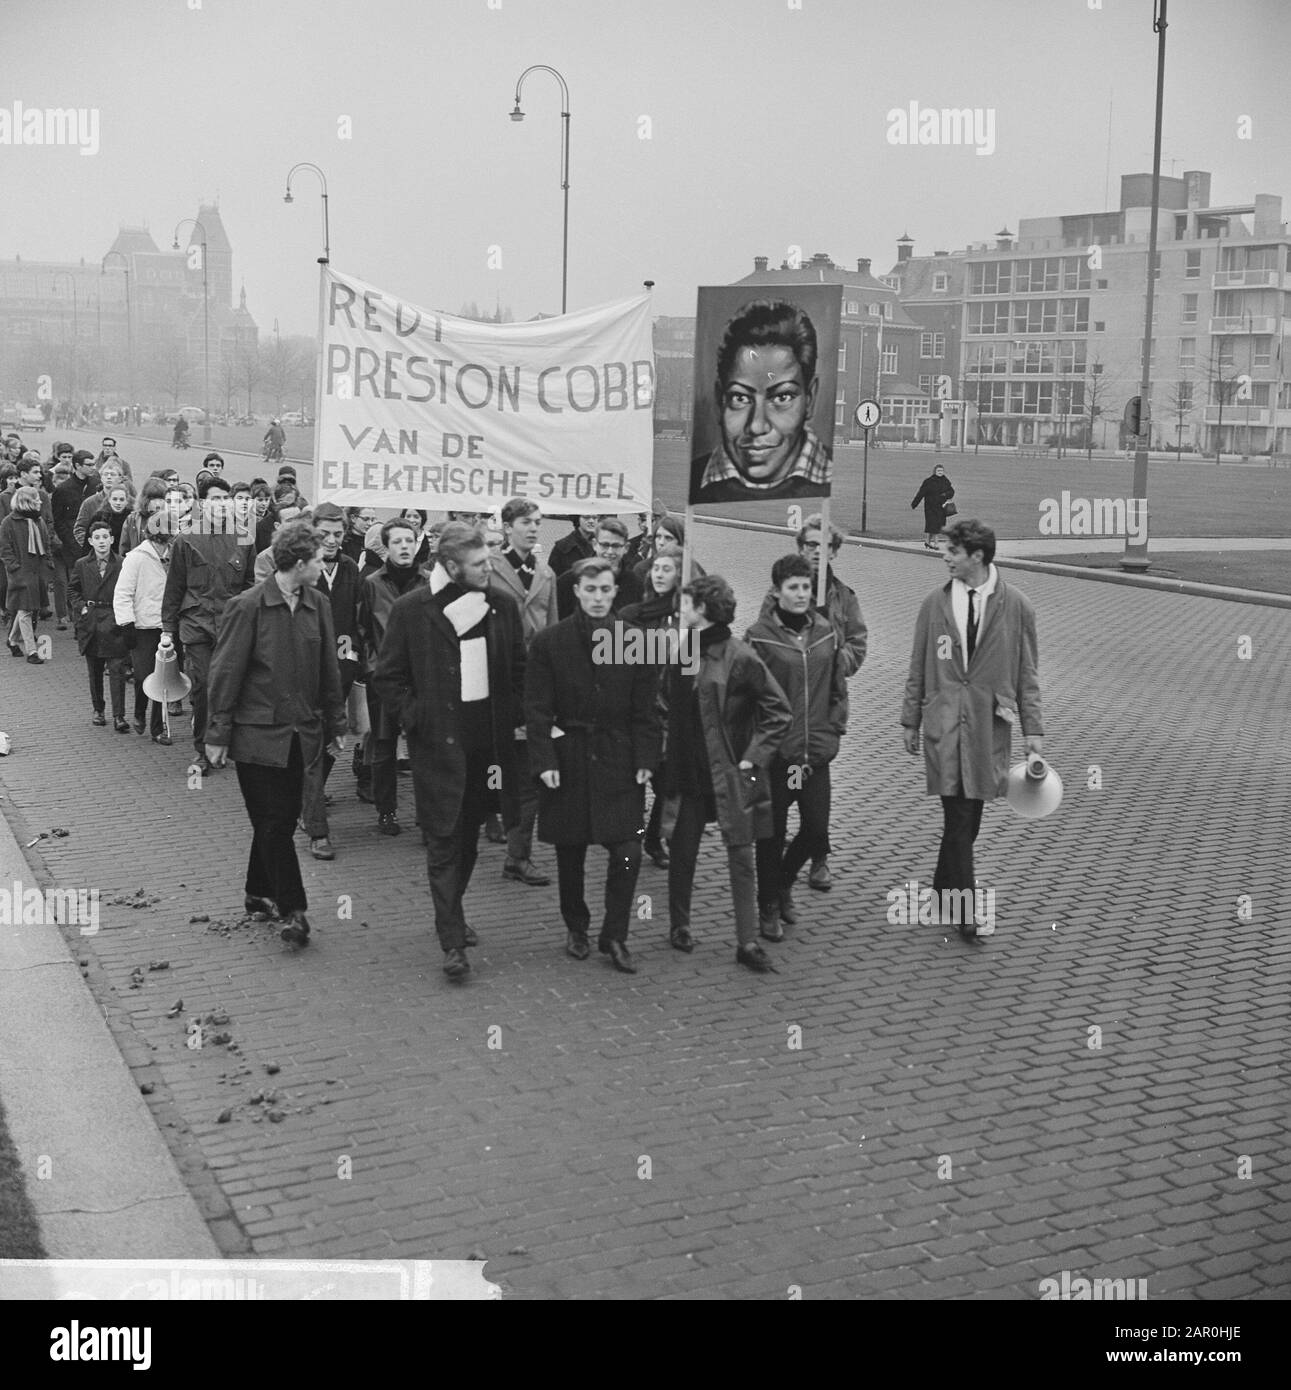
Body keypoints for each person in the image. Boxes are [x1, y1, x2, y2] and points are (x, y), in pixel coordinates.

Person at [372, 522, 527, 981]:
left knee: (470, 832)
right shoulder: (413, 610)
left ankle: (452, 909)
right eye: (480, 564)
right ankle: (452, 941)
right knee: (443, 839)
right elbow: (387, 676)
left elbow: (519, 668)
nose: (489, 569)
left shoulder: (501, 606)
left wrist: (514, 717)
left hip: (488, 747)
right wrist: (417, 719)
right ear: (453, 567)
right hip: (439, 747)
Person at [900, 518, 1045, 941]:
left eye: (952, 552)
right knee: (960, 818)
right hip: (944, 724)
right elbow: (917, 664)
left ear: (976, 556)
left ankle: (944, 890)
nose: (944, 557)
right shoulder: (935, 604)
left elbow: (1027, 672)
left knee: (969, 820)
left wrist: (1034, 730)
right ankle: (965, 910)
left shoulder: (1016, 606)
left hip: (987, 728)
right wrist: (910, 718)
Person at [207, 521, 347, 947]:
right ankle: (294, 909)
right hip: (255, 737)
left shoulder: (317, 604)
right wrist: (217, 734)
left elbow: (328, 667)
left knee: (278, 821)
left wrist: (337, 723)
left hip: (301, 734)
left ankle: (256, 892)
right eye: (319, 560)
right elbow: (225, 672)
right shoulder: (247, 606)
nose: (324, 566)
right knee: (274, 824)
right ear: (299, 563)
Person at [525, 556, 661, 974]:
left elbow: (647, 710)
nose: (598, 598)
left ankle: (615, 934)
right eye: (591, 590)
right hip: (569, 759)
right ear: (577, 592)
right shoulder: (550, 642)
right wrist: (544, 757)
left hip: (619, 758)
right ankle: (576, 926)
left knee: (627, 851)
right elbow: (537, 709)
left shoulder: (635, 639)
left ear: (616, 592)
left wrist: (646, 758)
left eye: (606, 590)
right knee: (572, 851)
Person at [656, 574, 791, 971]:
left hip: (730, 771)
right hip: (687, 769)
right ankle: (679, 924)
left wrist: (754, 756)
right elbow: (665, 700)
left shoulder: (740, 655)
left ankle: (747, 940)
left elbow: (778, 710)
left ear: (702, 610)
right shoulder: (681, 649)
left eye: (685, 604)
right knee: (683, 851)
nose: (679, 610)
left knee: (741, 855)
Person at [757, 514, 868, 892]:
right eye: (809, 546)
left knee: (816, 801)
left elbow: (857, 642)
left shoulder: (844, 597)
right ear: (800, 548)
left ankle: (818, 858)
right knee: (780, 799)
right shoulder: (779, 594)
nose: (817, 553)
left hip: (822, 707)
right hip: (786, 713)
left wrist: (837, 660)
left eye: (824, 547)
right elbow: (763, 648)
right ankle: (778, 870)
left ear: (834, 551)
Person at [746, 553, 848, 940]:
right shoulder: (758, 637)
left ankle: (783, 883)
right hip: (777, 756)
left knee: (816, 830)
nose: (802, 594)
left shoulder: (825, 632)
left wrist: (834, 728)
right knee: (770, 835)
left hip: (814, 753)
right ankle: (768, 907)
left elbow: (838, 688)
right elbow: (747, 696)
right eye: (794, 587)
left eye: (806, 587)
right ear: (777, 591)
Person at [159, 475, 257, 772]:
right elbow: (174, 587)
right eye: (215, 499)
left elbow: (251, 587)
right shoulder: (186, 539)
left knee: (232, 687)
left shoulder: (244, 538)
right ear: (203, 503)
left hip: (232, 628)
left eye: (226, 499)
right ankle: (201, 751)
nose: (222, 504)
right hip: (197, 625)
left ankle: (226, 743)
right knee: (202, 688)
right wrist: (167, 631)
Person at [691, 299, 831, 502]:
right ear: (719, 400)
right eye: (740, 398)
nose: (757, 426)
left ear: (810, 399)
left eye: (782, 397)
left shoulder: (828, 478)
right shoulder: (696, 480)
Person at [486, 498, 559, 887]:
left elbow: (554, 629)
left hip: (533, 683)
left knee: (529, 774)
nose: (533, 529)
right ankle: (487, 815)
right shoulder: (489, 568)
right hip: (495, 681)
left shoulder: (546, 573)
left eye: (537, 523)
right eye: (526, 522)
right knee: (491, 764)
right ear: (508, 526)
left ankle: (519, 855)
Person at [296, 503, 363, 861]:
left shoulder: (351, 568)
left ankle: (309, 796)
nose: (333, 541)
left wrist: (356, 662)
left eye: (339, 534)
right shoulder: (301, 570)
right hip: (306, 675)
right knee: (310, 748)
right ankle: (316, 828)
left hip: (342, 673)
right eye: (325, 534)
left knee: (335, 742)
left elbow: (356, 619)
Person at [356, 518, 428, 836]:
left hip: (422, 678)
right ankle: (386, 811)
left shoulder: (428, 582)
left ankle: (428, 816)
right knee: (384, 746)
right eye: (397, 541)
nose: (404, 547)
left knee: (423, 747)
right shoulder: (372, 583)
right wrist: (374, 669)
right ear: (387, 546)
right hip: (385, 677)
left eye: (409, 541)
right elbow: (363, 631)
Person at [620, 541, 685, 868]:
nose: (659, 574)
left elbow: (691, 668)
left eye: (667, 569)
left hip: (671, 713)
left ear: (679, 576)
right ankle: (634, 837)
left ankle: (655, 836)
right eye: (656, 568)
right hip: (639, 712)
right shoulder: (635, 615)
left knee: (669, 782)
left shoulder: (685, 621)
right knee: (638, 779)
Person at [114, 499, 175, 743]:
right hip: (142, 627)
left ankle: (158, 729)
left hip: (167, 625)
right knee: (143, 676)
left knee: (163, 678)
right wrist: (126, 624)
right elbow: (123, 593)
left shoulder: (175, 555)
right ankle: (139, 711)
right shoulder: (136, 558)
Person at [70, 518, 131, 732]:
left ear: (112, 539)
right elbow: (73, 590)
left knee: (117, 669)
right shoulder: (81, 564)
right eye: (97, 538)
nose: (102, 542)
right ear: (90, 541)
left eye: (105, 537)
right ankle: (98, 709)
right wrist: (82, 608)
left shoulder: (123, 563)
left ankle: (119, 715)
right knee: (94, 670)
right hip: (92, 622)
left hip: (115, 620)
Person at [1, 486, 56, 663]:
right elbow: (5, 549)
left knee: (27, 608)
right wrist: (15, 568)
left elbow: (46, 544)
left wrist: (48, 564)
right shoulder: (8, 522)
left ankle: (11, 640)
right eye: (36, 499)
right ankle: (31, 651)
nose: (40, 501)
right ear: (27, 501)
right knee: (26, 610)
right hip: (21, 573)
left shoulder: (38, 521)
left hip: (38, 572)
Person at [555, 516, 643, 620]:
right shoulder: (569, 581)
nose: (610, 552)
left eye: (615, 546)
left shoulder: (635, 584)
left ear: (626, 548)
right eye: (605, 545)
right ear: (594, 544)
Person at [911, 464, 956, 549]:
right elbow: (921, 493)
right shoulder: (928, 481)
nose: (940, 472)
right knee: (933, 525)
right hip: (930, 507)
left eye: (941, 471)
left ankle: (927, 542)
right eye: (938, 471)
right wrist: (915, 503)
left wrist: (945, 494)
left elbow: (952, 491)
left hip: (941, 507)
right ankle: (936, 544)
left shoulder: (945, 481)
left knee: (936, 525)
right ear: (935, 471)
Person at [547, 512, 598, 578]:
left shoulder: (602, 544)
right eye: (586, 517)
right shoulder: (562, 547)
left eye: (595, 518)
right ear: (577, 519)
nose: (591, 521)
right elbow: (551, 577)